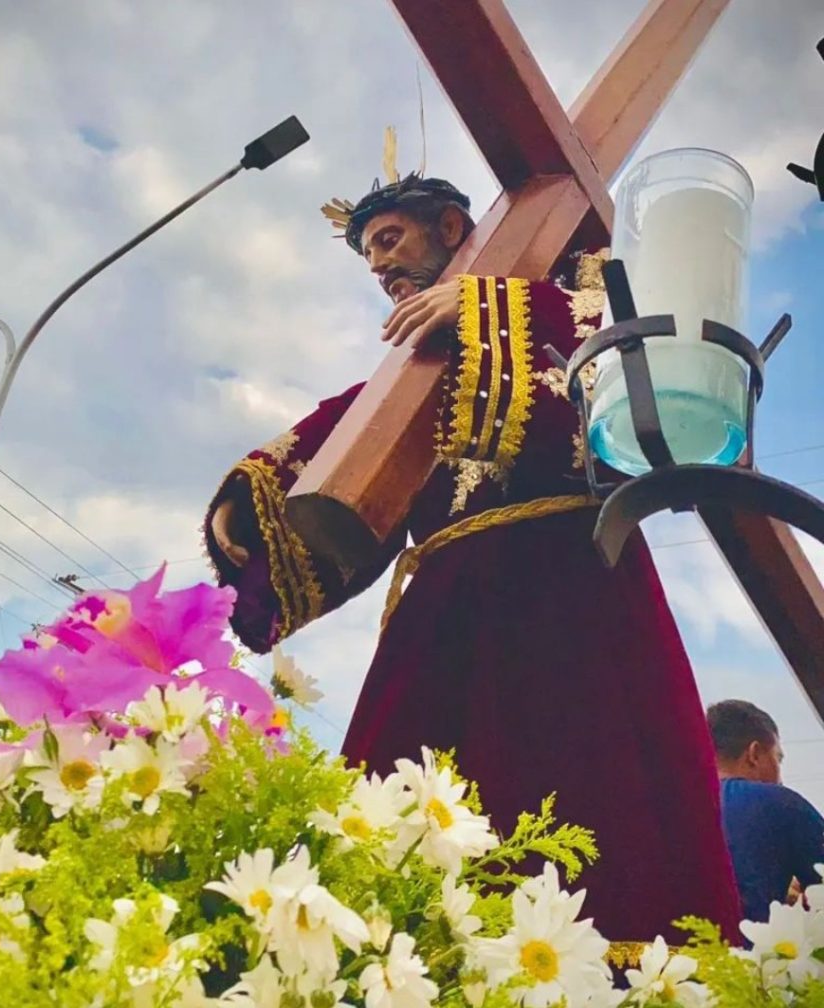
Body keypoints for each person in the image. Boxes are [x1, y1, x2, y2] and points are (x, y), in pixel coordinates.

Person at [204, 171, 741, 944]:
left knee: (602, 809)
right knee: (393, 841)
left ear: (454, 228)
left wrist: (490, 306)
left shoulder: (569, 286)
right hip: (443, 620)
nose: (381, 266)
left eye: (390, 240)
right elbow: (352, 431)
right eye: (369, 256)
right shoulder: (411, 379)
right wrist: (252, 500)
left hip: (574, 594)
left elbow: (627, 343)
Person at [708, 699, 824, 922]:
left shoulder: (671, 810)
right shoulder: (779, 802)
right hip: (748, 955)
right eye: (777, 758)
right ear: (755, 753)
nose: (780, 778)